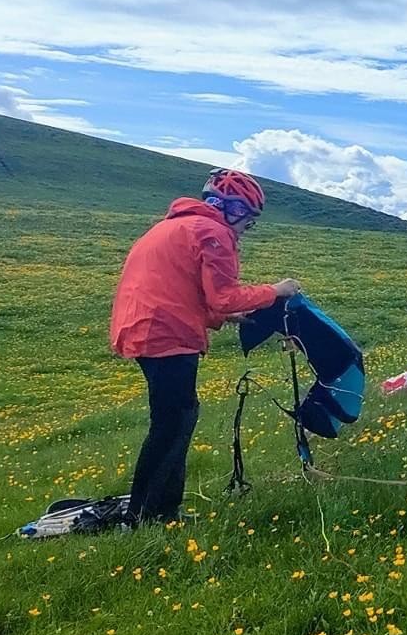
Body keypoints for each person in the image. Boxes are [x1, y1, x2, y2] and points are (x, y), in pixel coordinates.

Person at [109, 170, 301, 524]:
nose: (246, 228)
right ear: (230, 209)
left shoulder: (174, 226)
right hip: (166, 334)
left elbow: (182, 288)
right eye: (249, 219)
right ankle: (143, 517)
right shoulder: (213, 231)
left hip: (147, 329)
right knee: (172, 424)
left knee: (178, 418)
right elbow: (224, 296)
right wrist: (276, 290)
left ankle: (163, 511)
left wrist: (224, 316)